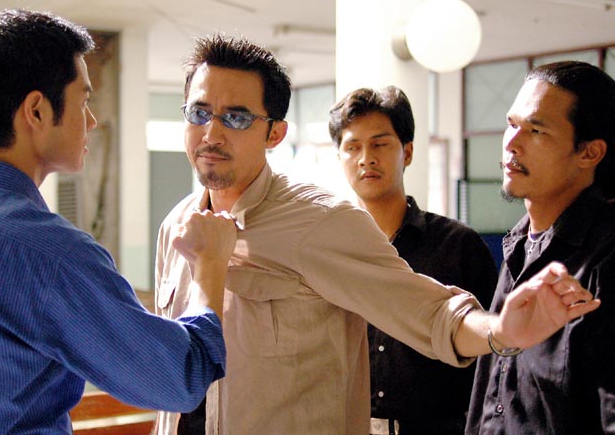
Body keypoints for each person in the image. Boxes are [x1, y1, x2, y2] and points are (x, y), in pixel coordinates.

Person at [153, 35, 599, 435]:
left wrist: (501, 330)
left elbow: (433, 315)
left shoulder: (319, 222)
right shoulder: (176, 226)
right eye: (199, 113)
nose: (211, 133)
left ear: (275, 133)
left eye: (235, 117)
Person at [0, 9, 237, 435]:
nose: (91, 121)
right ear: (36, 111)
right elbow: (179, 378)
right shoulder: (49, 253)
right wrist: (209, 266)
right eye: (83, 102)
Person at [329, 86, 498, 435]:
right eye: (353, 147)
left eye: (380, 144)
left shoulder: (459, 245)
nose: (366, 158)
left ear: (407, 152)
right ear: (339, 157)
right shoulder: (328, 249)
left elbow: (493, 357)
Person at [465, 61, 615, 435]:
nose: (511, 144)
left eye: (536, 130)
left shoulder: (605, 255)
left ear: (589, 153)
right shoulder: (519, 245)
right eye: (512, 124)